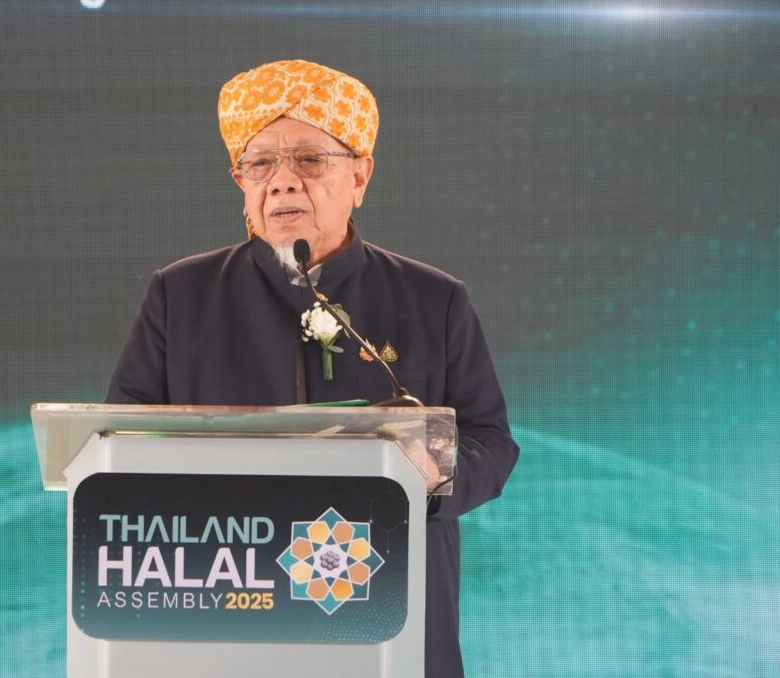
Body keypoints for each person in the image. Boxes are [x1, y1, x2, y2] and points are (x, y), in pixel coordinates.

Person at [107, 59, 518, 677]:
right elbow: (119, 439)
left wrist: (428, 472)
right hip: (229, 597)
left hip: (389, 605)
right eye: (260, 164)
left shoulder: (434, 299)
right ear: (241, 182)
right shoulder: (181, 294)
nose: (282, 183)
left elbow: (491, 441)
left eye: (308, 159)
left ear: (360, 175)